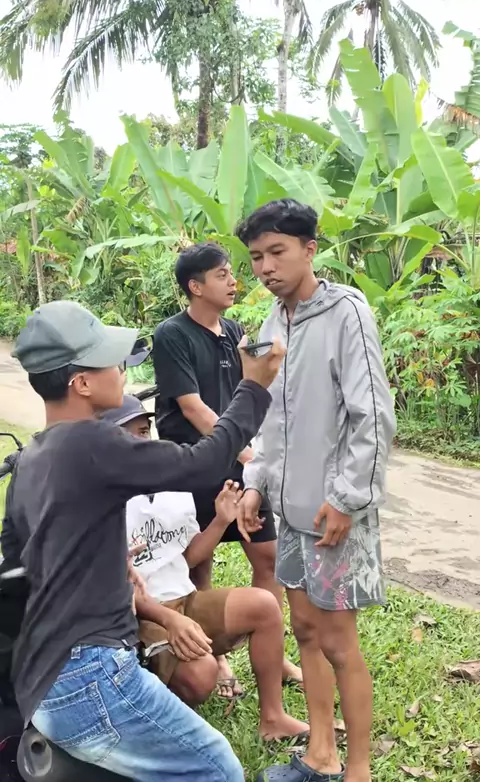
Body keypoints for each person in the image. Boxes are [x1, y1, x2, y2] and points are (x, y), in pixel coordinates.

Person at [6, 299, 285, 782]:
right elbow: (202, 461)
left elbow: (23, 559)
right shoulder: (92, 442)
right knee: (218, 769)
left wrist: (109, 567)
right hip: (91, 677)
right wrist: (254, 387)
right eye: (110, 362)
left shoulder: (33, 456)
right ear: (82, 383)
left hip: (44, 679)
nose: (122, 370)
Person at [235, 200, 397, 782]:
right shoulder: (273, 322)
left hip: (334, 512)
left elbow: (372, 414)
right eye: (256, 257)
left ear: (310, 249)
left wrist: (349, 497)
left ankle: (358, 769)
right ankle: (320, 755)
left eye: (277, 252)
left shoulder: (345, 312)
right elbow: (270, 416)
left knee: (337, 641)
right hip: (291, 509)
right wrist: (256, 483)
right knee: (304, 629)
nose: (265, 267)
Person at [101, 395, 309, 743]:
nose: (141, 440)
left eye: (144, 430)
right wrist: (169, 620)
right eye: (129, 433)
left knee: (263, 605)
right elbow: (109, 588)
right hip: (140, 616)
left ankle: (273, 718)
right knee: (202, 676)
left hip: (185, 599)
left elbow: (185, 558)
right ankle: (153, 713)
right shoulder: (99, 498)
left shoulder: (171, 483)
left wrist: (221, 520)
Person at [153, 241, 302, 698]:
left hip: (240, 459)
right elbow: (192, 407)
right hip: (195, 464)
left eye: (231, 272)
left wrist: (251, 453)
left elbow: (253, 391)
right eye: (222, 275)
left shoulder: (234, 332)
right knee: (199, 562)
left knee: (267, 555)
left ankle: (273, 653)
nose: (234, 281)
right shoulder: (172, 334)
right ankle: (213, 655)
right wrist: (244, 453)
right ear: (195, 286)